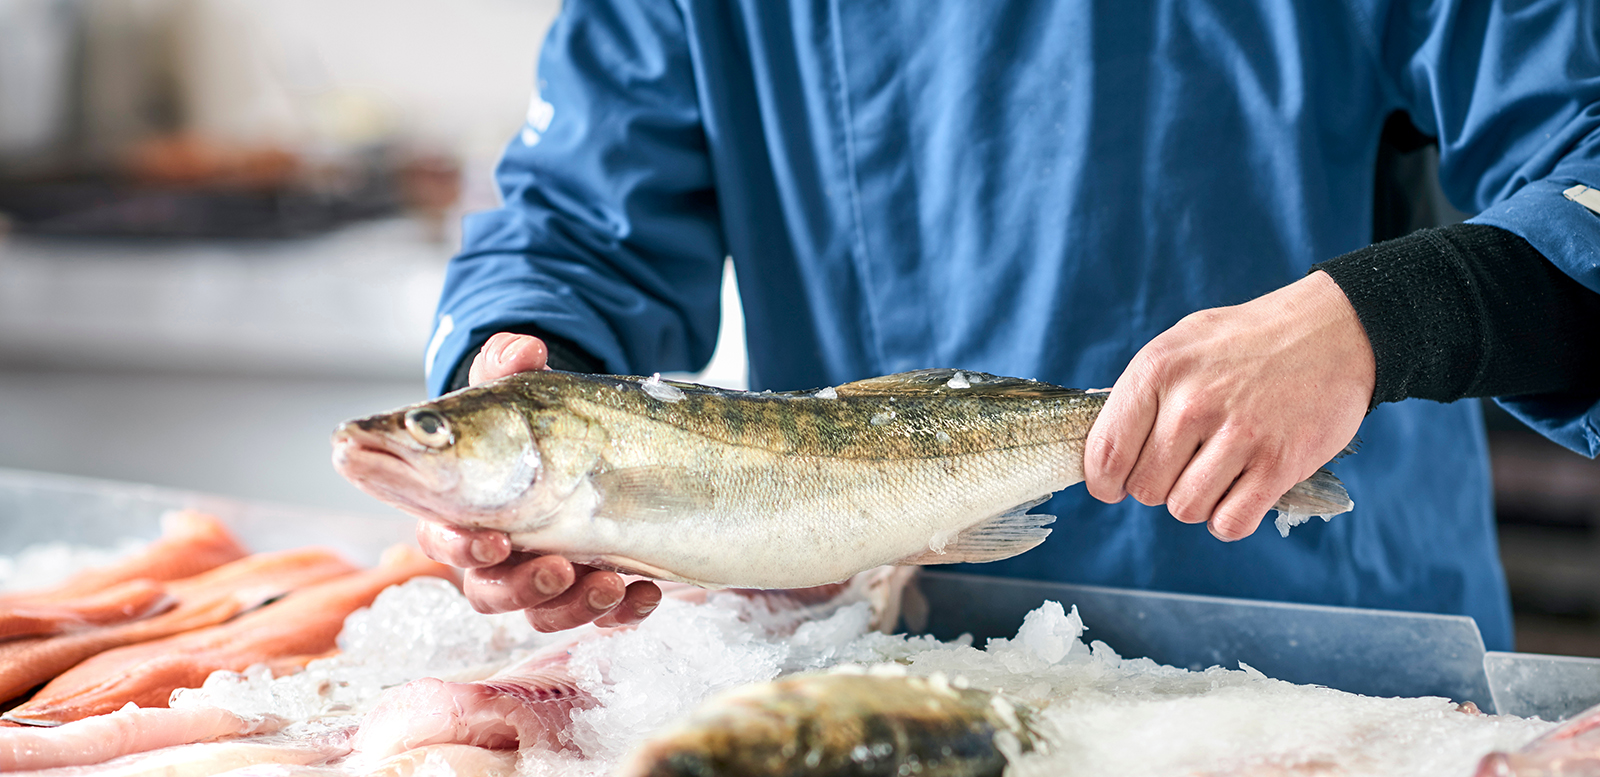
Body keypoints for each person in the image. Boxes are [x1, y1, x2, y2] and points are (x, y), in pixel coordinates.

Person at [415, 0, 1600, 649]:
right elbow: (575, 219)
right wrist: (525, 377)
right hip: (881, 655)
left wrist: (1376, 320)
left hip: (1322, 636)